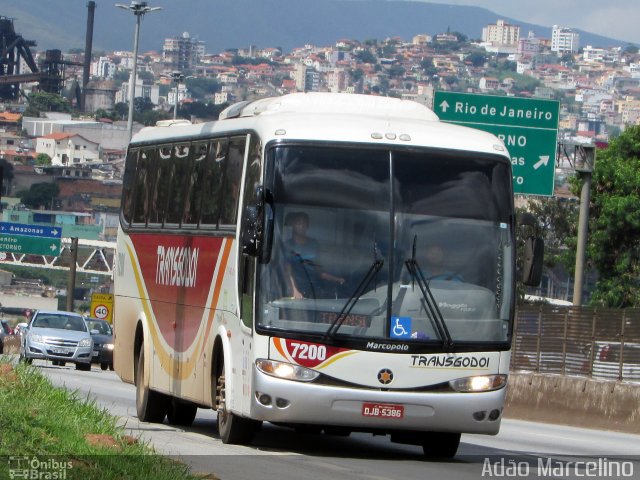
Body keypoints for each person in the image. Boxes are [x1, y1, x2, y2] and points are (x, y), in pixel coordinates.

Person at [284, 212, 344, 299]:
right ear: (293, 225)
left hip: (315, 290)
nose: (302, 226)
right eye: (299, 223)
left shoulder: (314, 244)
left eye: (304, 223)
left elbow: (319, 270)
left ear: (307, 226)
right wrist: (295, 291)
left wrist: (335, 279)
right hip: (297, 293)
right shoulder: (288, 245)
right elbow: (287, 272)